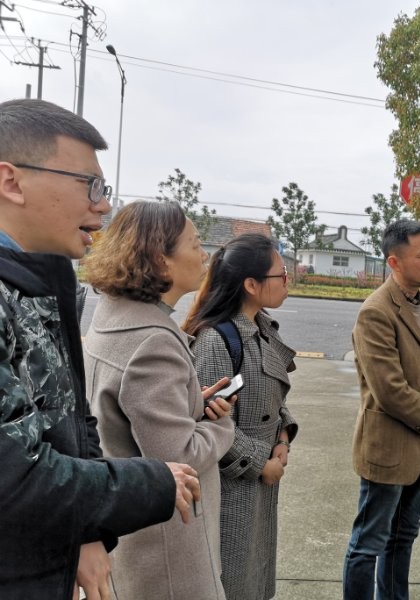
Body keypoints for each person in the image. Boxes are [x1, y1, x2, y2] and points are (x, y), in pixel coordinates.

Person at [0, 98, 202, 600]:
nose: (103, 205)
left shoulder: (42, 283)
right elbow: (13, 476)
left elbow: (72, 419)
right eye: (88, 184)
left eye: (104, 189)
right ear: (11, 182)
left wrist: (87, 530)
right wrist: (152, 484)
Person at [82, 200, 236, 600]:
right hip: (168, 550)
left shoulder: (112, 316)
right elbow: (179, 454)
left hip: (131, 533)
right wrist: (221, 425)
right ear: (160, 259)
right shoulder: (153, 341)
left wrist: (190, 404)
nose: (205, 256)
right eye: (195, 244)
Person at [342, 219, 420, 600]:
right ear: (394, 262)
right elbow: (388, 390)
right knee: (369, 542)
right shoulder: (375, 312)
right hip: (389, 446)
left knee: (404, 535)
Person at [184, 233, 299, 600]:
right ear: (251, 285)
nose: (288, 281)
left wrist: (283, 438)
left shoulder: (261, 329)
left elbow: (273, 397)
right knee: (234, 583)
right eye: (281, 274)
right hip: (233, 490)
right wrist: (262, 462)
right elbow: (211, 426)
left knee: (255, 577)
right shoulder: (217, 342)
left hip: (261, 482)